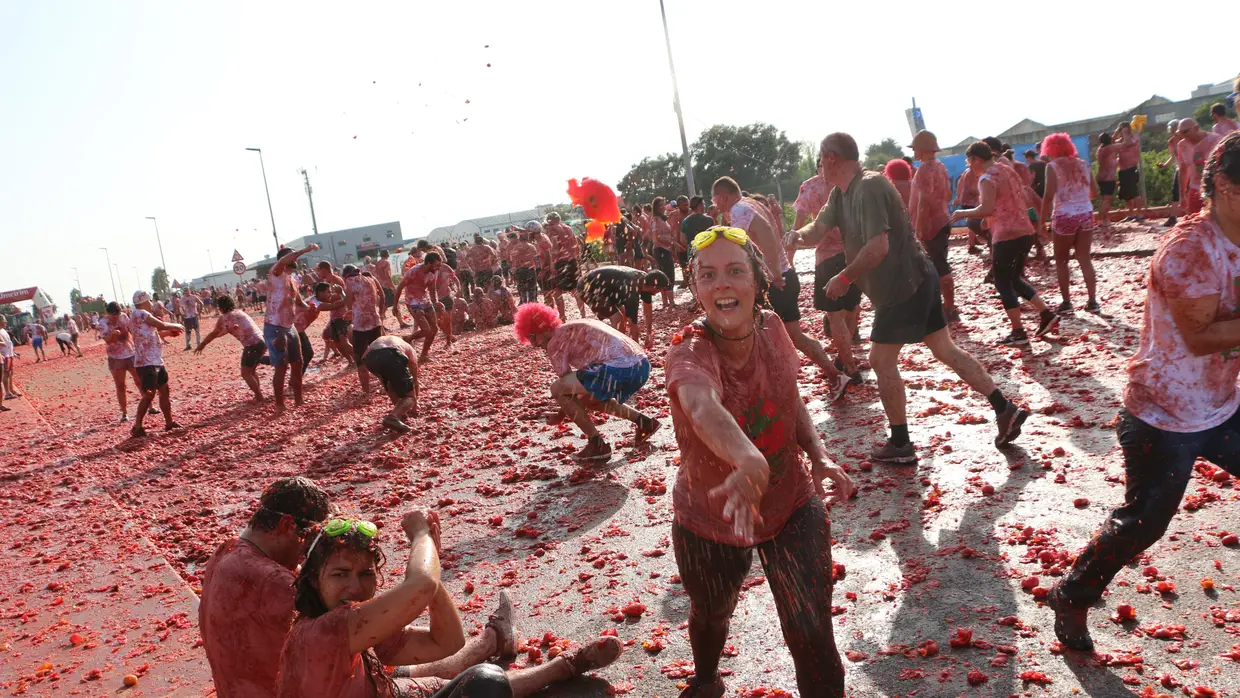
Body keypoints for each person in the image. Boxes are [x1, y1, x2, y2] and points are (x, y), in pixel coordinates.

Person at [1048, 132, 1240, 652]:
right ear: (1226, 186)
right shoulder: (1190, 251)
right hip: (1163, 413)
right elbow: (1201, 336)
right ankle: (1071, 594)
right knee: (1144, 522)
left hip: (1222, 406)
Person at [665, 224, 856, 698]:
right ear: (696, 288)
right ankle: (707, 679)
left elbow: (789, 398)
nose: (722, 284)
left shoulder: (772, 328)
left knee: (812, 633)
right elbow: (702, 405)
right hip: (713, 515)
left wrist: (819, 454)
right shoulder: (688, 350)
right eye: (707, 275)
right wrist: (748, 461)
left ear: (757, 280)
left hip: (791, 504)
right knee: (711, 615)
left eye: (735, 271)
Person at [800, 133, 1029, 463]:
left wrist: (844, 277)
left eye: (821, 159)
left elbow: (878, 247)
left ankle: (901, 443)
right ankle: (1004, 408)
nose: (819, 166)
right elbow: (818, 228)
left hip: (904, 285)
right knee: (944, 349)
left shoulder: (869, 187)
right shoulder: (841, 194)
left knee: (880, 361)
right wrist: (796, 236)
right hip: (914, 280)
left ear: (832, 158)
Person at [713, 176, 851, 402]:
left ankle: (773, 391)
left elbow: (763, 238)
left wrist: (773, 273)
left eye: (715, 200)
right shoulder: (751, 204)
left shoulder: (738, 209)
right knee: (793, 335)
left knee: (762, 338)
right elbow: (772, 231)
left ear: (723, 196)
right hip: (785, 276)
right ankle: (834, 375)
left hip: (777, 281)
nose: (715, 204)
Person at [199, 477, 332, 698]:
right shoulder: (273, 579)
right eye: (309, 541)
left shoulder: (225, 551)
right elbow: (340, 639)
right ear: (288, 526)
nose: (307, 552)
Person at [514, 303, 661, 461]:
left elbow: (566, 388)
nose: (535, 344)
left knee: (557, 388)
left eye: (532, 337)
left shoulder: (555, 342)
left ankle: (596, 444)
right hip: (641, 366)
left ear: (543, 329)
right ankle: (644, 422)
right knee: (590, 400)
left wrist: (559, 416)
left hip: (621, 369)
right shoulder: (574, 326)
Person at [951, 141, 1060, 345]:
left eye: (969, 161)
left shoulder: (986, 178)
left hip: (1007, 234)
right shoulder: (1006, 170)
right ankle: (1046, 314)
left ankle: (1018, 331)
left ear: (976, 159)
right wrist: (988, 219)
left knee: (1002, 282)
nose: (969, 166)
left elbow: (987, 207)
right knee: (1015, 279)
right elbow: (1013, 198)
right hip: (1024, 231)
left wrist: (962, 213)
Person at [1039, 132, 1101, 314]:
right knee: (1085, 259)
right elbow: (1094, 193)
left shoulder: (1052, 166)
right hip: (1086, 214)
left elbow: (1049, 196)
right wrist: (1080, 198)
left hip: (1064, 215)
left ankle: (1067, 303)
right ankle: (1092, 301)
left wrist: (1041, 221)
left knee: (1061, 261)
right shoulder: (1083, 164)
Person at [908, 131, 960, 323]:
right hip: (942, 219)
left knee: (939, 266)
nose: (914, 152)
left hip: (931, 224)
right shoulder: (940, 167)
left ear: (922, 149)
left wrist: (920, 226)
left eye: (915, 148)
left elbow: (924, 200)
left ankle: (949, 308)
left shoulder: (924, 170)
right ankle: (945, 306)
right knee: (938, 265)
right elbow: (946, 194)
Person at [265, 245, 318, 413]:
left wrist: (310, 307)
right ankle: (280, 404)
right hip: (274, 326)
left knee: (298, 362)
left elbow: (299, 303)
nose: (295, 258)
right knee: (281, 366)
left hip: (289, 326)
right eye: (292, 256)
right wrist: (304, 250)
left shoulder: (293, 280)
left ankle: (298, 399)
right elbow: (286, 259)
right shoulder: (276, 272)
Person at [128, 290, 185, 437]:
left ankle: (169, 422)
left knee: (164, 390)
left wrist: (168, 333)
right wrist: (176, 325)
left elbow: (152, 333)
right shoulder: (141, 313)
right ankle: (137, 427)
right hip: (146, 362)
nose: (151, 304)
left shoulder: (137, 316)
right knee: (149, 394)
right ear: (145, 301)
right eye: (150, 301)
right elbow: (160, 325)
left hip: (154, 360)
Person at [194, 295, 268, 401]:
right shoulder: (239, 312)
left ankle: (259, 397)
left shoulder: (225, 318)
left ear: (221, 307)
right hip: (261, 342)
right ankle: (258, 395)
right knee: (251, 371)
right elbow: (224, 331)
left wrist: (202, 345)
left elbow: (214, 333)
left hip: (252, 345)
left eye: (219, 307)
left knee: (246, 373)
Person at [579, 266, 670, 349]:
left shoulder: (646, 282)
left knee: (623, 315)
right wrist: (637, 349)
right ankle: (613, 349)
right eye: (661, 289)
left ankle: (621, 346)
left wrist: (649, 333)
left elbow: (647, 311)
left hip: (606, 287)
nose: (661, 292)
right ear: (655, 286)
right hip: (587, 286)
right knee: (618, 318)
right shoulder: (632, 288)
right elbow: (633, 322)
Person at [361, 334, 421, 432]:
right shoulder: (408, 347)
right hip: (391, 354)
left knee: (388, 383)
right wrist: (414, 405)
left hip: (369, 359)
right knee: (410, 396)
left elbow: (363, 357)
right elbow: (414, 380)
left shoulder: (384, 340)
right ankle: (393, 417)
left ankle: (399, 414)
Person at [394, 253, 446, 363]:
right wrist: (395, 306)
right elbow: (400, 287)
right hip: (413, 302)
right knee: (426, 330)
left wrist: (436, 302)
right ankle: (408, 339)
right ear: (428, 263)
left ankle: (423, 355)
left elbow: (432, 289)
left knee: (434, 329)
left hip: (425, 300)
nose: (439, 268)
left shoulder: (433, 272)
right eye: (437, 265)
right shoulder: (414, 271)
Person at [343, 265, 385, 394]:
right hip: (375, 322)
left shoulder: (349, 282)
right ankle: (386, 386)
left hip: (360, 325)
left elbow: (349, 303)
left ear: (346, 275)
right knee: (380, 355)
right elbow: (382, 296)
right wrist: (380, 312)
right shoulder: (370, 279)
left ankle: (366, 391)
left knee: (360, 359)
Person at [1178, 118, 1224, 216]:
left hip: (1215, 190)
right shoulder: (1182, 145)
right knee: (1194, 222)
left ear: (1196, 128)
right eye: (1180, 133)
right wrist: (1182, 194)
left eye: (1185, 131)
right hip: (1195, 189)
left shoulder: (1216, 140)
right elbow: (1183, 170)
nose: (1183, 135)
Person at [545, 212, 585, 319]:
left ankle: (562, 317)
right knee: (576, 290)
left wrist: (552, 264)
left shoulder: (552, 230)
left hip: (561, 262)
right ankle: (583, 315)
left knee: (557, 292)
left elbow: (554, 249)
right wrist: (577, 260)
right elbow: (577, 245)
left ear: (550, 220)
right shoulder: (569, 228)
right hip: (572, 261)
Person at [649, 197, 678, 308]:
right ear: (655, 207)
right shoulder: (655, 220)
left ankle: (667, 302)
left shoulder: (662, 219)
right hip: (661, 249)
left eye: (663, 204)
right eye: (660, 205)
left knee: (666, 274)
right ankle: (670, 302)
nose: (662, 207)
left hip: (666, 249)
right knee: (667, 274)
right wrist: (669, 242)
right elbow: (655, 239)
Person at [1114, 122, 1145, 219]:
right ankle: (1131, 214)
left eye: (1123, 130)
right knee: (1126, 194)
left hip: (1131, 169)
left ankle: (1139, 214)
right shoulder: (1120, 140)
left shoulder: (1134, 138)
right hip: (1122, 170)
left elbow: (1128, 144)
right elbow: (1110, 143)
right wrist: (1116, 133)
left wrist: (1126, 133)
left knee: (1135, 192)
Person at [1157, 120, 1183, 228]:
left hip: (1191, 168)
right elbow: (1173, 158)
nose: (1174, 132)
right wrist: (1164, 165)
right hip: (1179, 168)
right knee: (1176, 193)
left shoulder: (1186, 138)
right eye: (1172, 130)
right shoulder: (1171, 142)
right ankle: (1173, 217)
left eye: (1175, 129)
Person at [1095, 132, 1120, 231]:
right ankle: (1105, 220)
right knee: (1107, 199)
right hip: (1108, 178)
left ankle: (1102, 219)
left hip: (1101, 177)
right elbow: (1125, 144)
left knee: (1103, 199)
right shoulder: (1109, 149)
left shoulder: (1101, 149)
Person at [509, 232, 540, 305]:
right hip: (530, 269)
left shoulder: (516, 247)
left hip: (520, 270)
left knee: (522, 289)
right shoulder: (532, 246)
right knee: (532, 288)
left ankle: (524, 304)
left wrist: (514, 269)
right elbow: (536, 258)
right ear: (527, 239)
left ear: (519, 239)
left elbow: (513, 260)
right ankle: (532, 304)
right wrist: (537, 268)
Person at [374, 249, 398, 324]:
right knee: (394, 303)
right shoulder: (386, 263)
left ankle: (380, 321)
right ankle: (380, 321)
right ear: (387, 254)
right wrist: (393, 286)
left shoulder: (377, 263)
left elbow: (376, 275)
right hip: (387, 286)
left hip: (380, 285)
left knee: (385, 304)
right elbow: (387, 276)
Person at [0, 316, 18, 400]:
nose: (6, 323)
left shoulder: (3, 330)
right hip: (4, 354)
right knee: (6, 374)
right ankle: (7, 393)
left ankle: (11, 389)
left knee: (10, 373)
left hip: (9, 354)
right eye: (5, 321)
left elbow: (8, 342)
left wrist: (13, 352)